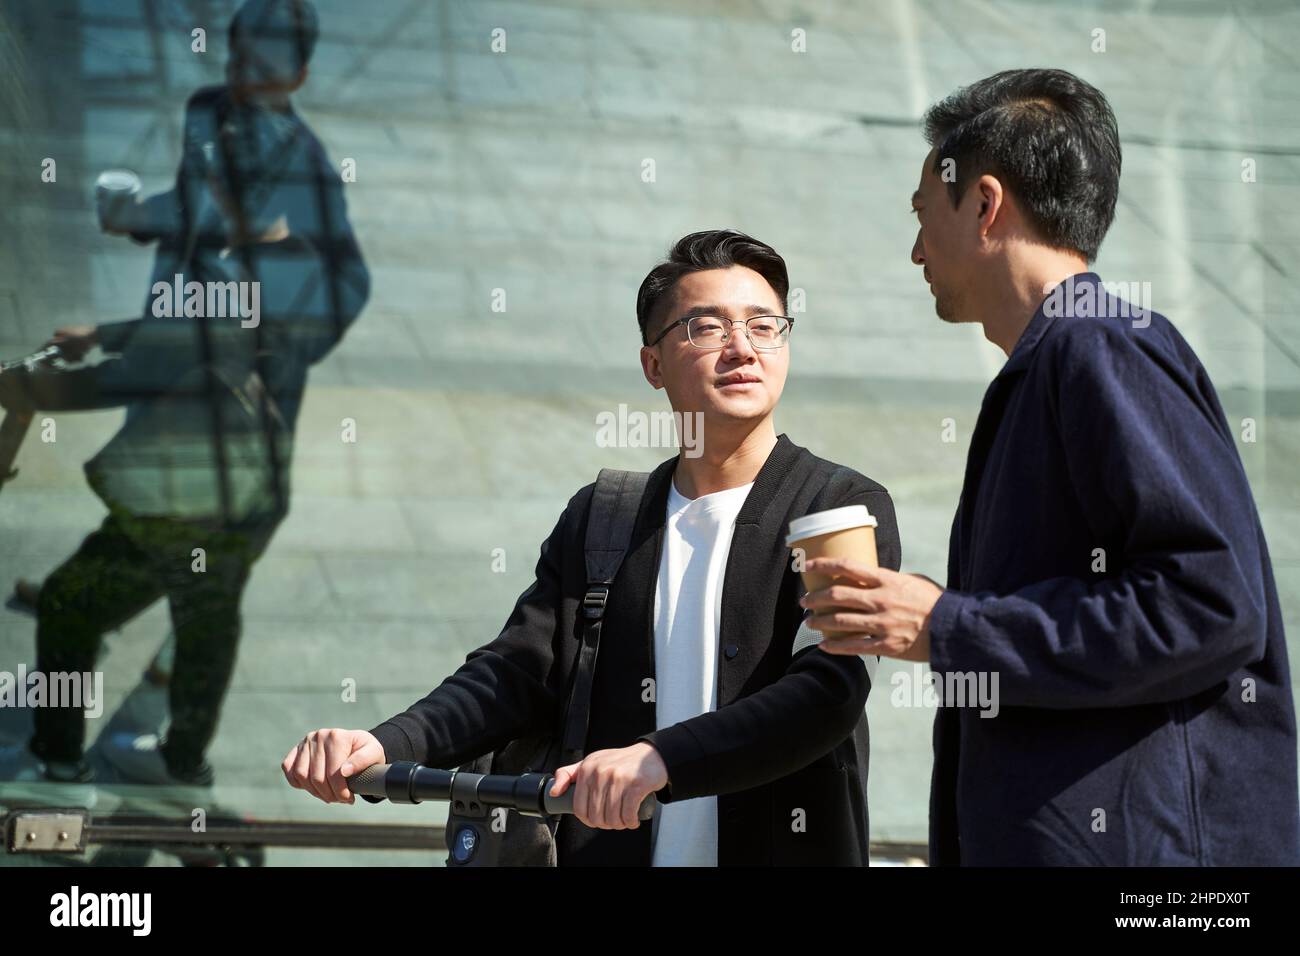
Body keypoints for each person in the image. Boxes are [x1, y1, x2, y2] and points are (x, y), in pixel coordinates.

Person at [800, 67, 1300, 865]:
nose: (915, 249)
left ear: (986, 205)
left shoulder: (1099, 346)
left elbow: (1210, 605)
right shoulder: (1059, 362)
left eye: (925, 215)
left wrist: (947, 625)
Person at [283, 229, 902, 865]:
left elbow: (828, 691)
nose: (741, 347)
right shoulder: (606, 517)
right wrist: (386, 743)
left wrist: (662, 758)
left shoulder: (841, 510)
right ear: (653, 365)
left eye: (763, 324)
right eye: (706, 327)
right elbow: (514, 673)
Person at [0, 0, 369, 789]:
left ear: (297, 77)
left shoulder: (293, 211)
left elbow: (202, 338)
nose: (241, 85)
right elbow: (190, 272)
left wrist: (44, 386)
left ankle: (66, 763)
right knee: (206, 609)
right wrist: (124, 294)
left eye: (262, 76)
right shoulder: (215, 122)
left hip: (205, 472)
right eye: (235, 64)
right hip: (216, 467)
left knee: (91, 601)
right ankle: (181, 762)